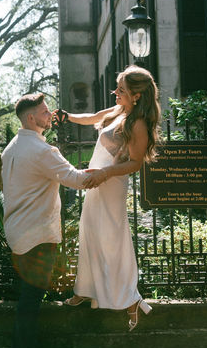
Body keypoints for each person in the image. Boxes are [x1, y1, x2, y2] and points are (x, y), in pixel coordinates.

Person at [57, 65, 161, 331]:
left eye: (122, 90)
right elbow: (92, 117)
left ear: (136, 95)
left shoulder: (138, 123)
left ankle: (130, 299)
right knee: (90, 232)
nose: (115, 92)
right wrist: (67, 116)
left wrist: (104, 174)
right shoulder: (118, 111)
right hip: (97, 180)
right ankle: (86, 288)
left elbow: (135, 163)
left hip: (111, 183)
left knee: (112, 239)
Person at [1, 91, 92, 348]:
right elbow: (76, 180)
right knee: (31, 302)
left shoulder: (11, 148)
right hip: (38, 235)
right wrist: (110, 172)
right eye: (43, 111)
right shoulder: (42, 151)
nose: (49, 113)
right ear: (31, 118)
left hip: (17, 232)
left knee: (26, 299)